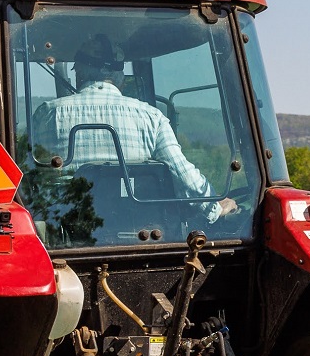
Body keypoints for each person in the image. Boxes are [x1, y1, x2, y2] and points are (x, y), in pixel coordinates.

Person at [37, 34, 238, 218]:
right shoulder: (151, 116)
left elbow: (30, 176)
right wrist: (216, 207)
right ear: (119, 76)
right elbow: (182, 173)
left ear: (79, 72)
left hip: (66, 229)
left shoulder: (47, 113)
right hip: (140, 232)